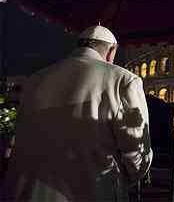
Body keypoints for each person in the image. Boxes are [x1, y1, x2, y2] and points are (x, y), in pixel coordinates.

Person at [1, 25, 152, 201]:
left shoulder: (35, 78)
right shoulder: (124, 80)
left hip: (25, 191)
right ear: (112, 50)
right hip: (89, 192)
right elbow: (137, 151)